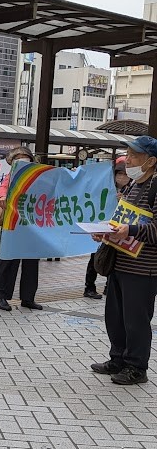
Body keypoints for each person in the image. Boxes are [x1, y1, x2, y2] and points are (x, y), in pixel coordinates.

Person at [91, 136, 157, 386]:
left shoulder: (155, 187)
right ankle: (117, 358)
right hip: (120, 262)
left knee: (136, 320)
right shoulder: (132, 186)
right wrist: (106, 232)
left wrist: (131, 230)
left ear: (151, 161)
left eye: (134, 156)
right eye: (127, 154)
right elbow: (121, 222)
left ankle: (137, 367)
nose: (127, 160)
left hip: (143, 268)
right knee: (115, 316)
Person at [0, 146, 43, 312]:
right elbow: (2, 189)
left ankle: (28, 297)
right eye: (18, 159)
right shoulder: (10, 177)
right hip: (12, 224)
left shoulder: (37, 176)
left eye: (25, 158)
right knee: (7, 260)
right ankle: (1, 296)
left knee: (31, 262)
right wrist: (2, 197)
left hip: (31, 225)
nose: (22, 162)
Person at [83, 157, 128, 299]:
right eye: (119, 174)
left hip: (118, 230)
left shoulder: (131, 190)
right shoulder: (106, 187)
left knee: (113, 259)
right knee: (95, 257)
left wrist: (123, 201)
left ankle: (109, 287)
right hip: (102, 228)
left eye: (125, 174)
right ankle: (89, 287)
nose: (122, 177)